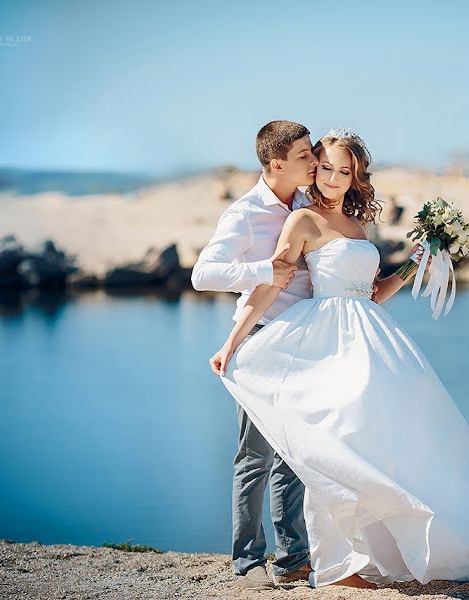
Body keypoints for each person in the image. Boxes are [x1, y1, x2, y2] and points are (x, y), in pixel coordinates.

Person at [210, 128, 469, 589]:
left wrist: (416, 264)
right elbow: (271, 283)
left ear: (356, 176)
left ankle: (361, 552)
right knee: (332, 441)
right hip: (324, 338)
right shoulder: (301, 220)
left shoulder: (358, 227)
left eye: (344, 171)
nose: (333, 178)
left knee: (389, 438)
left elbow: (372, 293)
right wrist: (232, 340)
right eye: (327, 168)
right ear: (313, 167)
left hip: (368, 338)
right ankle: (327, 563)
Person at [190, 120, 319, 590]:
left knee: (295, 454)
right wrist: (267, 269)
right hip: (261, 339)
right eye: (305, 155)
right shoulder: (244, 213)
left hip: (309, 342)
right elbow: (202, 275)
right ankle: (247, 561)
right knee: (256, 455)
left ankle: (293, 558)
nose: (314, 160)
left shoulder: (309, 202)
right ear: (276, 163)